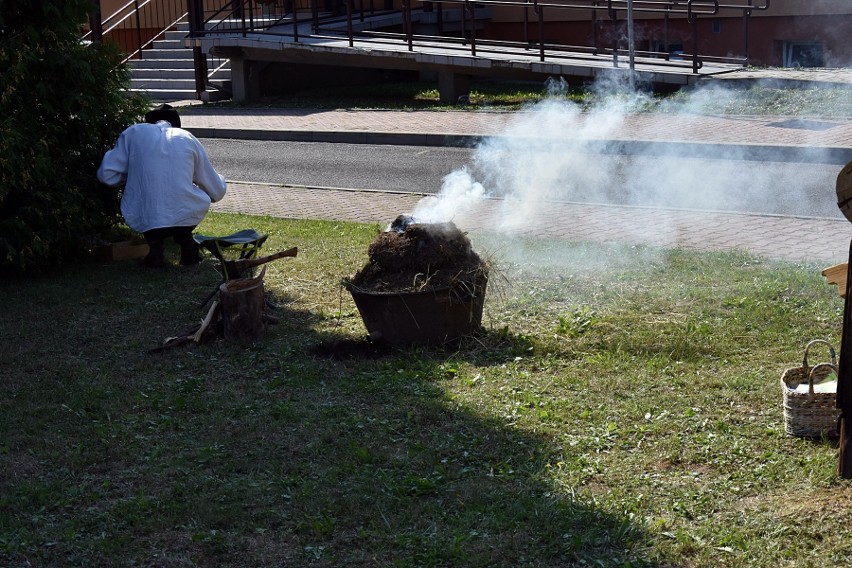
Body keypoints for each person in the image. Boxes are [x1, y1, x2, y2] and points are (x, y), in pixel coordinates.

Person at [97, 104, 227, 267]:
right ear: (175, 123)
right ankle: (187, 244)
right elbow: (216, 189)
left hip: (146, 212)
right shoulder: (187, 137)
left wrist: (132, 175)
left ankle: (155, 247)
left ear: (150, 122)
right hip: (185, 213)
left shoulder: (133, 133)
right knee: (187, 203)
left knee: (146, 197)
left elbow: (106, 175)